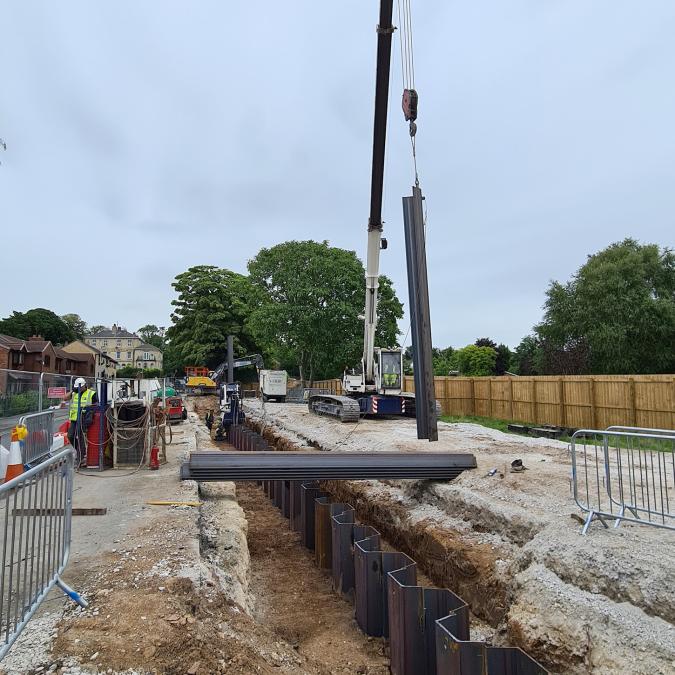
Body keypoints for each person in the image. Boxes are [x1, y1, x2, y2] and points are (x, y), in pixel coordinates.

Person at [64, 378, 98, 457]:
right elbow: (65, 398)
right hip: (74, 419)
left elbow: (95, 406)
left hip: (84, 419)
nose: (79, 388)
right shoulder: (75, 393)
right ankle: (79, 451)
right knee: (70, 436)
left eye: (80, 387)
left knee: (81, 438)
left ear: (85, 385)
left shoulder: (92, 393)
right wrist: (73, 390)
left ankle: (81, 455)